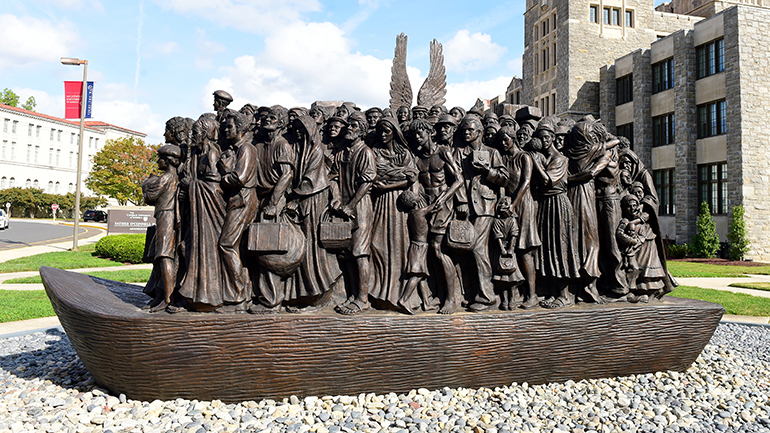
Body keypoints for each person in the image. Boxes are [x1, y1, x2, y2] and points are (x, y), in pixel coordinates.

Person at [284, 115, 342, 309]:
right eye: (296, 129)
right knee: (302, 248)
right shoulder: (301, 150)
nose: (299, 132)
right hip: (304, 200)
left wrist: (295, 198)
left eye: (302, 129)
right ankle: (304, 294)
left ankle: (318, 293)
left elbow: (310, 180)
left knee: (312, 249)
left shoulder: (316, 150)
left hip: (313, 201)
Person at [453, 115, 509, 312]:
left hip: (485, 208)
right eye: (464, 130)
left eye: (471, 130)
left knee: (478, 249)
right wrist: (460, 201)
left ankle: (487, 297)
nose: (467, 133)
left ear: (480, 132)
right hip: (465, 208)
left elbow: (504, 179)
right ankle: (473, 293)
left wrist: (487, 170)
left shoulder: (492, 153)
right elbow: (456, 176)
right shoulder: (458, 153)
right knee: (467, 250)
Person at [410, 118, 463, 314]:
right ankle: (436, 293)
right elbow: (417, 185)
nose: (417, 138)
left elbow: (458, 180)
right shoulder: (417, 158)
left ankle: (450, 298)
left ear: (429, 133)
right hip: (426, 208)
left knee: (437, 249)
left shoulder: (443, 152)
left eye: (420, 134)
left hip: (443, 206)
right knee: (428, 252)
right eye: (414, 134)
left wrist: (445, 198)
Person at [177, 114, 227, 312]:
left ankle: (209, 297)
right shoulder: (196, 153)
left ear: (206, 133)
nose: (193, 136)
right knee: (187, 248)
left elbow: (215, 186)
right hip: (196, 211)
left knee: (208, 252)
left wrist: (192, 186)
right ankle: (190, 294)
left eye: (197, 133)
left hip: (210, 212)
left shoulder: (213, 154)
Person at [249, 105, 296, 314]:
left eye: (274, 119)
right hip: (258, 198)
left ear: (282, 123)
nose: (268, 120)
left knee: (269, 249)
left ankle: (272, 301)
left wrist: (274, 203)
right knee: (254, 247)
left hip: (274, 200)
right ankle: (257, 294)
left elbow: (286, 175)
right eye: (267, 118)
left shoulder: (283, 145)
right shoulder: (258, 144)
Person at [329, 112, 377, 315]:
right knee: (346, 253)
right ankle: (352, 294)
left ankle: (363, 299)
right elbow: (332, 177)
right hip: (343, 207)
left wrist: (351, 204)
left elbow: (367, 181)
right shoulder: (341, 153)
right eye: (349, 125)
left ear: (363, 131)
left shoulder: (365, 152)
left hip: (360, 207)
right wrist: (336, 198)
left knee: (360, 253)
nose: (349, 128)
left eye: (355, 126)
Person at [369, 116, 418, 309]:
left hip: (398, 203)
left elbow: (411, 178)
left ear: (394, 132)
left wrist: (388, 184)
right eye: (380, 130)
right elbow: (374, 176)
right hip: (381, 203)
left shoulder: (404, 154)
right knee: (377, 243)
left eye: (386, 131)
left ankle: (398, 293)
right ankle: (379, 290)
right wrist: (396, 175)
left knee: (399, 244)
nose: (382, 134)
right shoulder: (374, 152)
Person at [530, 124, 581, 309]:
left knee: (560, 247)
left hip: (558, 204)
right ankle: (553, 292)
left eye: (546, 137)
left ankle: (565, 295)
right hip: (546, 204)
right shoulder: (545, 158)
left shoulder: (560, 159)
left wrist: (534, 161)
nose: (544, 141)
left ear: (552, 137)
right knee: (547, 249)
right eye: (540, 137)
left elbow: (547, 180)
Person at [218, 111, 259, 313]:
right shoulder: (235, 149)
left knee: (227, 244)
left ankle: (237, 298)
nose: (226, 129)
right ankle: (243, 296)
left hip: (243, 199)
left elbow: (239, 177)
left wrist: (222, 176)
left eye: (230, 126)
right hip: (238, 199)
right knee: (237, 249)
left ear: (241, 128)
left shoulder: (246, 149)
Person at [498, 125, 540, 309]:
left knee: (524, 250)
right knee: (509, 248)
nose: (503, 143)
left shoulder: (524, 157)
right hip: (507, 206)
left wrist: (513, 205)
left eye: (506, 139)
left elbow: (526, 182)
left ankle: (532, 295)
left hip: (523, 205)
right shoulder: (503, 158)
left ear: (513, 138)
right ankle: (513, 294)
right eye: (500, 140)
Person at [142, 144, 183, 313]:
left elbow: (150, 196)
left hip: (167, 217)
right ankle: (161, 296)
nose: (157, 162)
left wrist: (145, 183)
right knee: (159, 257)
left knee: (164, 256)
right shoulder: (171, 177)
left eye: (160, 159)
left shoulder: (167, 178)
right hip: (164, 216)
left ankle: (167, 298)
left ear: (167, 161)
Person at [396, 189, 440, 314]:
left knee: (423, 276)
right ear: (413, 201)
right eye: (415, 195)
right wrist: (444, 194)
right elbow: (435, 206)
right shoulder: (419, 212)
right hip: (419, 247)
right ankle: (404, 299)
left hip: (419, 246)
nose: (417, 195)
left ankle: (426, 303)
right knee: (417, 275)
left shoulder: (412, 214)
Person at [616, 193, 666, 302]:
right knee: (635, 268)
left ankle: (652, 291)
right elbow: (620, 234)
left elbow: (648, 211)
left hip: (646, 241)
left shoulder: (642, 216)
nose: (633, 209)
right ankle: (632, 291)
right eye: (629, 206)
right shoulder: (625, 221)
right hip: (632, 249)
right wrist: (632, 241)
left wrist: (634, 222)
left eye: (635, 206)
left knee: (648, 268)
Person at [491, 196, 524, 309]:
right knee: (502, 278)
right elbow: (497, 235)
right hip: (500, 251)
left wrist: (510, 249)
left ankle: (512, 299)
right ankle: (504, 300)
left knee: (512, 277)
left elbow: (514, 234)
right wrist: (502, 249)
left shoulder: (512, 220)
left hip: (511, 251)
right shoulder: (496, 221)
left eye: (505, 204)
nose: (502, 206)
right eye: (500, 204)